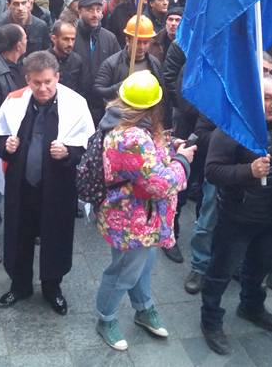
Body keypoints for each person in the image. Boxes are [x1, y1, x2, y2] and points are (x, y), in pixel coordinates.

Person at [94, 71, 195, 350]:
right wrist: (183, 161)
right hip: (131, 219)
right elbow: (159, 183)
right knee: (124, 271)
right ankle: (106, 318)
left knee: (143, 265)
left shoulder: (127, 123)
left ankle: (143, 307)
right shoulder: (132, 138)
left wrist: (170, 147)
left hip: (141, 217)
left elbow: (148, 159)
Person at [0, 51, 94, 315]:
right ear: (28, 80)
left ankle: (52, 287)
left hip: (57, 188)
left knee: (56, 236)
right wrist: (6, 146)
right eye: (36, 82)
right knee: (18, 235)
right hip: (22, 186)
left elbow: (89, 146)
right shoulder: (14, 102)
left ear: (57, 77)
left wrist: (68, 153)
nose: (43, 88)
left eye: (48, 81)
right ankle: (19, 285)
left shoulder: (76, 104)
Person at [200, 75, 272, 356]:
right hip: (237, 216)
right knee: (221, 271)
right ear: (254, 97)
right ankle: (210, 320)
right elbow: (212, 171)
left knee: (260, 267)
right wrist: (248, 171)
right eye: (267, 98)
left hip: (271, 214)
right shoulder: (232, 126)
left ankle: (252, 306)